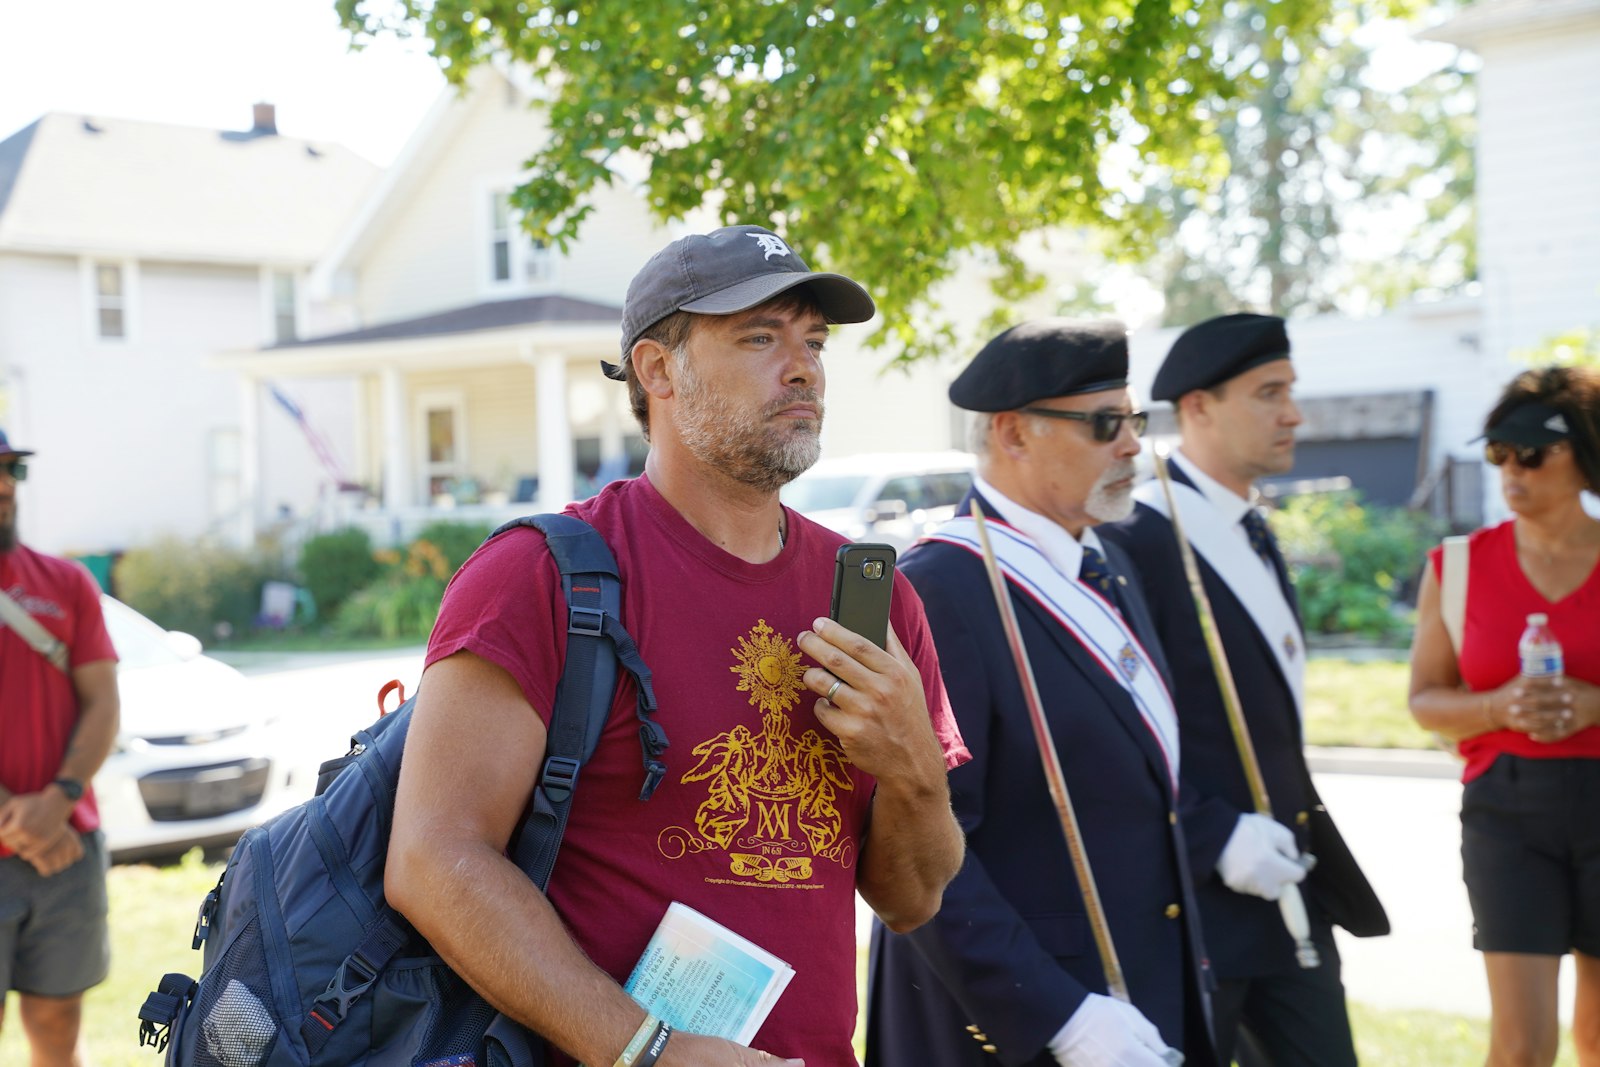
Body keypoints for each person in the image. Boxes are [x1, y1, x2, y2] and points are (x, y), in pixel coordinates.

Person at [384, 224, 970, 1067]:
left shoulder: (874, 598)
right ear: (658, 370)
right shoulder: (537, 577)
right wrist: (645, 1052)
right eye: (760, 337)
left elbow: (911, 899)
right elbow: (435, 858)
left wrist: (912, 758)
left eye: (813, 341)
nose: (802, 366)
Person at [866, 319, 1218, 1067]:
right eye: (1103, 423)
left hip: (1140, 992)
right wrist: (1059, 1016)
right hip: (1023, 1021)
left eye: (1135, 421)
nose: (1131, 444)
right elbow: (918, 847)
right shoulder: (941, 589)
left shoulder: (1110, 561)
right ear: (1012, 433)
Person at [1102, 313, 1386, 1067]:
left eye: (1290, 390)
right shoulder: (1139, 531)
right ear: (1197, 407)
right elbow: (1114, 730)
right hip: (1192, 899)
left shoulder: (1248, 525)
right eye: (1269, 393)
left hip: (1288, 889)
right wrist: (1211, 835)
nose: (1293, 413)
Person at [1409, 366, 1600, 1067]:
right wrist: (1498, 706)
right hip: (1507, 814)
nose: (1510, 469)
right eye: (1498, 453)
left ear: (1584, 452)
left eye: (1532, 451)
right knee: (1521, 1047)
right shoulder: (1456, 565)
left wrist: (1593, 704)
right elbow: (1425, 699)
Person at [0, 427, 121, 1067]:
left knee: (56, 1025)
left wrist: (60, 798)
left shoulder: (66, 583)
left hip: (66, 851)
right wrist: (27, 823)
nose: (2, 487)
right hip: (45, 837)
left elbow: (102, 702)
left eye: (11, 471)